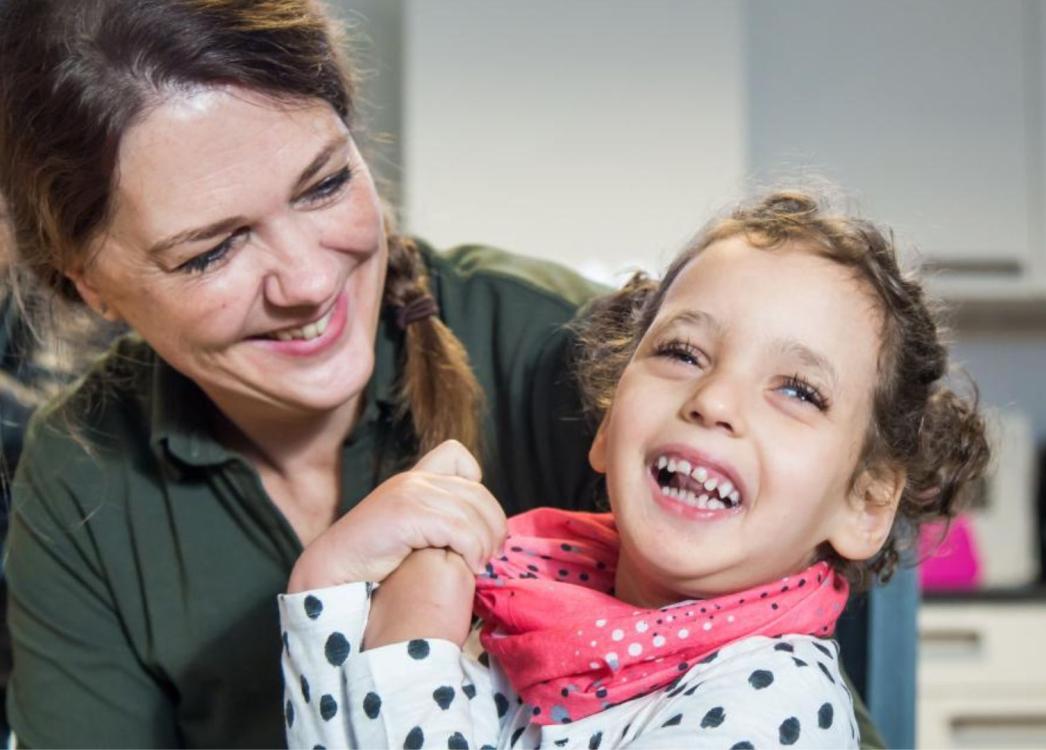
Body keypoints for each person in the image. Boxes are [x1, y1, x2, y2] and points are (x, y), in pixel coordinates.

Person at [0, 1, 604, 746]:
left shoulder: (562, 353)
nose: (309, 283)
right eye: (210, 253)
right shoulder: (79, 478)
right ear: (90, 282)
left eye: (323, 185)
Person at [279, 191, 991, 748]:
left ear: (866, 504)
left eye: (797, 391)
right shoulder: (531, 622)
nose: (713, 401)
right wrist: (328, 583)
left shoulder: (777, 702)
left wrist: (413, 649)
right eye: (683, 353)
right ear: (609, 421)